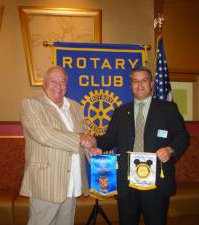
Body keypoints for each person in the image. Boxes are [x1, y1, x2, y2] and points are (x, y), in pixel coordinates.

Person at [95, 66, 190, 225]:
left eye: (144, 80)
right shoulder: (120, 112)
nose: (140, 85)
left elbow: (183, 136)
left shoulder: (168, 109)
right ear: (130, 85)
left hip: (156, 183)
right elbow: (109, 139)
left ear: (151, 83)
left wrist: (170, 149)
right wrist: (94, 143)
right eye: (135, 81)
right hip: (127, 183)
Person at [19, 66, 100, 225]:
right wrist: (80, 138)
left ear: (67, 86)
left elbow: (85, 136)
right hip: (47, 181)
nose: (58, 86)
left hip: (72, 179)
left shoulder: (75, 107)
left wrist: (91, 148)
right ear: (44, 84)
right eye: (53, 81)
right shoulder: (31, 104)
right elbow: (45, 135)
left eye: (62, 82)